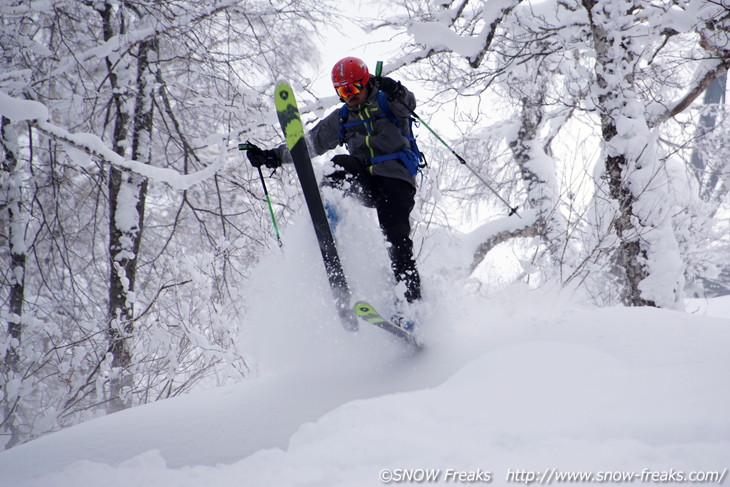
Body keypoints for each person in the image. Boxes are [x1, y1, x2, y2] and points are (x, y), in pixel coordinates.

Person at [247, 56, 422, 320]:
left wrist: (394, 89)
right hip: (367, 180)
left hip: (396, 180)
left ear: (366, 83)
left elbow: (408, 104)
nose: (349, 96)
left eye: (353, 89)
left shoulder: (387, 102)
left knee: (396, 240)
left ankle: (411, 309)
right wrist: (272, 156)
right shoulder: (342, 117)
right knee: (339, 163)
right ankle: (329, 217)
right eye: (342, 91)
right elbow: (310, 143)